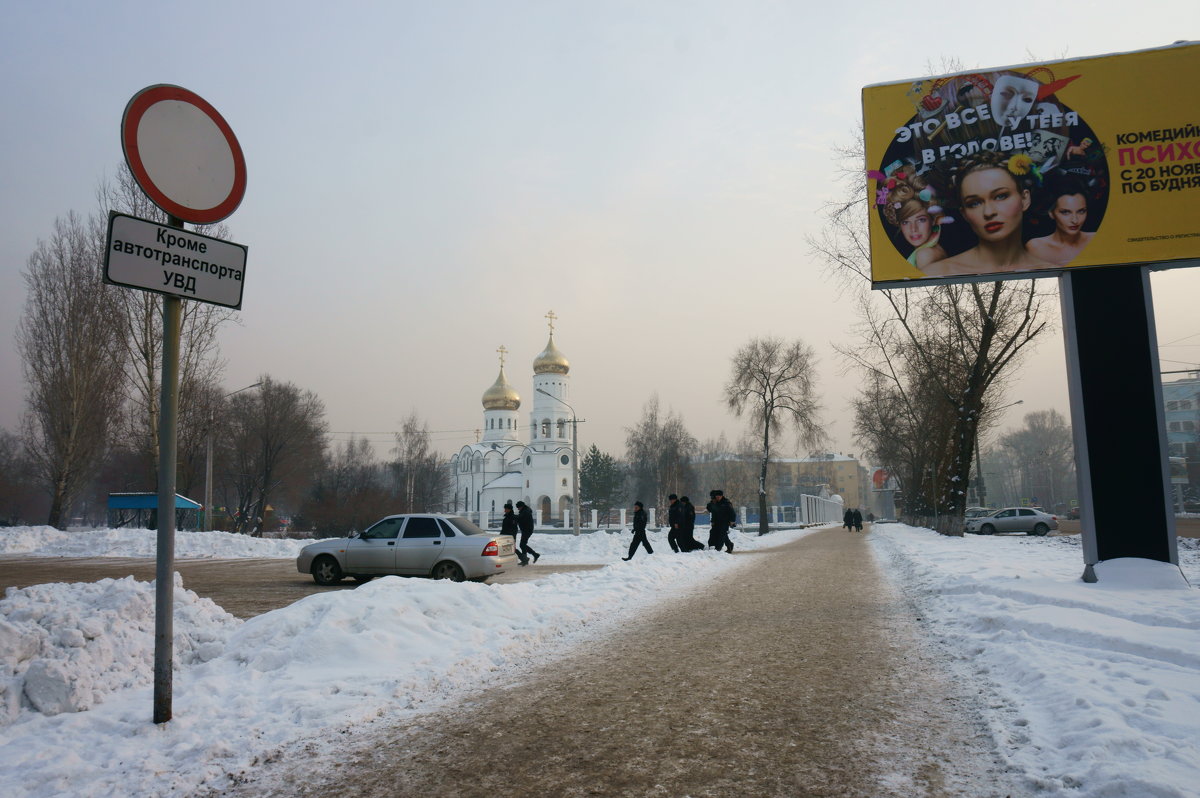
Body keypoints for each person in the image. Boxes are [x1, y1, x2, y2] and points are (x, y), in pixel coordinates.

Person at [922, 151, 1052, 278]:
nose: (988, 212)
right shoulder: (934, 274)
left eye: (1001, 196)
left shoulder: (1052, 271)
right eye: (974, 203)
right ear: (964, 214)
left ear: (1024, 199)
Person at [881, 169, 947, 270]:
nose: (913, 229)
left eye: (921, 220)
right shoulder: (930, 250)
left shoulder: (924, 255)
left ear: (933, 219)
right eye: (906, 222)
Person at [1025, 176, 1095, 266]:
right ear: (1051, 213)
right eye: (1065, 212)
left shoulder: (1096, 239)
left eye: (1081, 211)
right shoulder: (1037, 247)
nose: (1075, 220)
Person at [706, 490, 735, 554]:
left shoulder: (726, 503)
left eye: (718, 496)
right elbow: (712, 510)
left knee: (722, 534)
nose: (717, 498)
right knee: (721, 534)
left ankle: (718, 548)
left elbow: (732, 512)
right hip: (716, 522)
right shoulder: (715, 503)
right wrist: (713, 521)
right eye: (716, 496)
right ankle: (729, 545)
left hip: (725, 521)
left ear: (721, 496)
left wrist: (732, 521)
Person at [515, 500, 539, 566]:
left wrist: (514, 517)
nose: (518, 509)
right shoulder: (524, 510)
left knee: (522, 545)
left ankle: (533, 556)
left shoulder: (526, 511)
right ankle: (526, 559)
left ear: (521, 506)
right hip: (525, 530)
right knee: (523, 544)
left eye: (518, 507)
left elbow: (521, 518)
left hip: (527, 530)